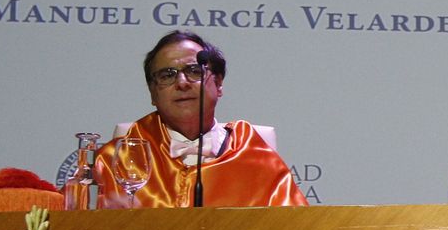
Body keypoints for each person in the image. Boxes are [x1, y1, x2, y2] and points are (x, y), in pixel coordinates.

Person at [95, 30, 308, 208]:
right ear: (152, 93)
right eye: (167, 75)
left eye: (194, 71)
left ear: (219, 83)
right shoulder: (118, 158)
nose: (182, 83)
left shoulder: (256, 155)